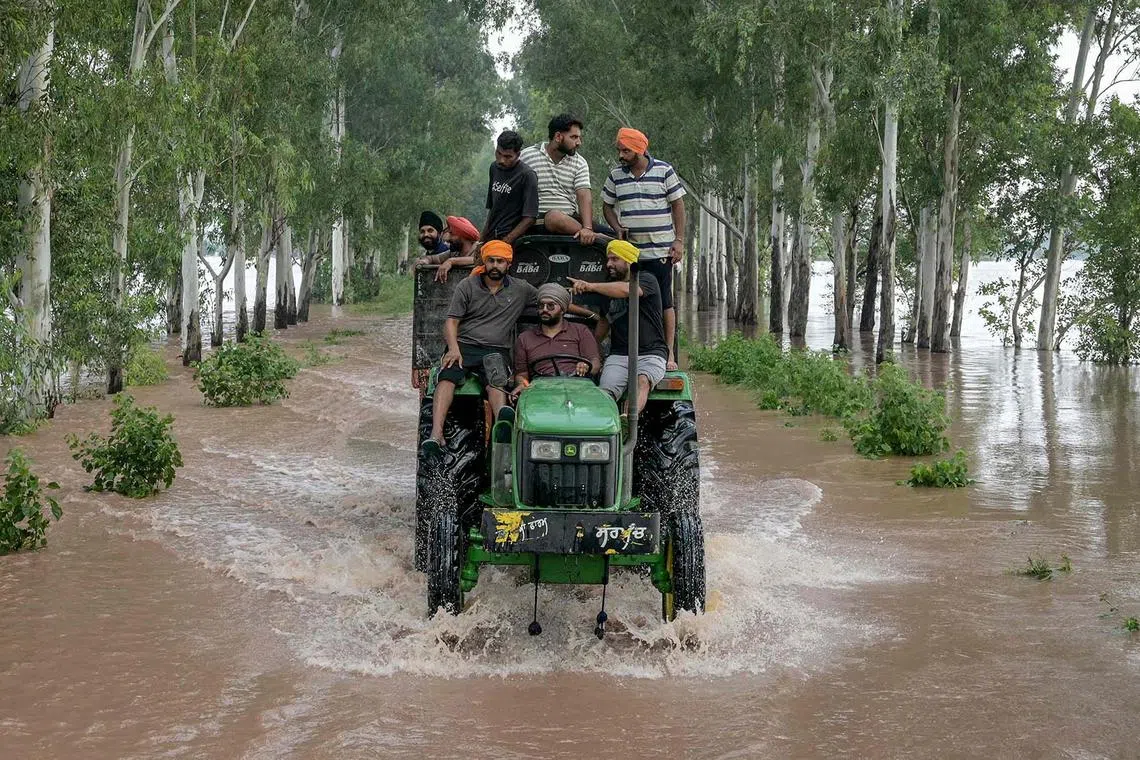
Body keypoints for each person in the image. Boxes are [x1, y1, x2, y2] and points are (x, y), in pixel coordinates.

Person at [423, 240, 539, 451]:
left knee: (496, 381)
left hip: (495, 349)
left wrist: (586, 311)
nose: (495, 265)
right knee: (447, 377)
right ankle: (436, 434)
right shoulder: (467, 285)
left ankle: (503, 426)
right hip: (464, 345)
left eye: (500, 261)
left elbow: (550, 299)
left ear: (508, 264)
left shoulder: (520, 289)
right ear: (485, 262)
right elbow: (451, 321)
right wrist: (453, 348)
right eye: (491, 260)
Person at [602, 127, 686, 370]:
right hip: (631, 255)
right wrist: (616, 227)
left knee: (664, 303)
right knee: (625, 301)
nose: (621, 155)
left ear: (640, 149)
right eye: (619, 150)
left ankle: (668, 354)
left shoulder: (663, 170)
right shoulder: (616, 175)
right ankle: (624, 352)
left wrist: (678, 241)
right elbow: (607, 206)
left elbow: (678, 206)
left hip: (661, 252)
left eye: (626, 151)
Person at [568, 240, 667, 414]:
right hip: (619, 355)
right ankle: (605, 429)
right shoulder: (607, 289)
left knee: (642, 381)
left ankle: (628, 420)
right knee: (605, 391)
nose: (609, 264)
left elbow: (628, 290)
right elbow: (605, 321)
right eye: (608, 259)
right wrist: (592, 347)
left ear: (628, 261)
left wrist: (591, 286)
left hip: (651, 353)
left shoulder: (647, 279)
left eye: (614, 259)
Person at [520, 114, 610, 246]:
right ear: (558, 137)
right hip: (537, 221)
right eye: (574, 137)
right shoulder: (527, 156)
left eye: (579, 137)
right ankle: (596, 238)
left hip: (570, 221)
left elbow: (584, 195)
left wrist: (587, 228)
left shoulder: (579, 162)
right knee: (554, 217)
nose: (579, 143)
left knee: (617, 238)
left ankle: (591, 234)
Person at [513, 283, 601, 387]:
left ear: (563, 310)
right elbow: (521, 374)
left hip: (576, 385)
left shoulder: (581, 331)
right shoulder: (524, 338)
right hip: (541, 388)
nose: (544, 309)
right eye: (541, 305)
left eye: (550, 306)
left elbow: (595, 363)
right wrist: (521, 385)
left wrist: (586, 366)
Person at [483, 130, 539, 245]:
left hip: (512, 240)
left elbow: (530, 218)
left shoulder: (527, 175)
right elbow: (492, 208)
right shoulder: (494, 168)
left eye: (508, 156)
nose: (501, 160)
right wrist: (482, 239)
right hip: (491, 236)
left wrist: (507, 241)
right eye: (498, 153)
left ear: (518, 155)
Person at [430, 215, 480, 282]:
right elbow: (435, 258)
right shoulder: (454, 252)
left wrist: (452, 261)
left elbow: (479, 259)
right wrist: (424, 260)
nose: (448, 239)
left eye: (451, 234)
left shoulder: (480, 248)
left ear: (462, 235)